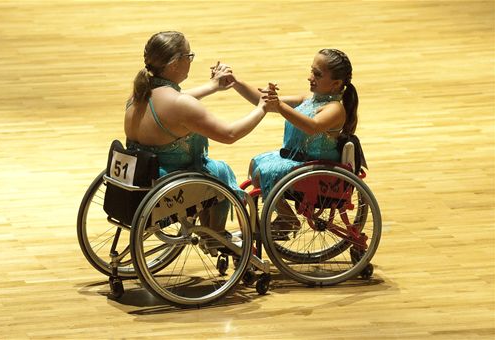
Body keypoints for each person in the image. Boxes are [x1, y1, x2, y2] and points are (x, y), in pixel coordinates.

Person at [124, 31, 267, 249]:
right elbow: (229, 135)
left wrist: (213, 86)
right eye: (188, 56)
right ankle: (215, 235)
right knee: (219, 170)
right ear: (174, 64)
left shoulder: (139, 94)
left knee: (210, 170)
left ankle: (212, 234)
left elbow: (178, 101)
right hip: (171, 187)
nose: (190, 61)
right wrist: (262, 108)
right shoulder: (180, 105)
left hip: (141, 180)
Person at [229, 48, 359, 237]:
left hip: (317, 169)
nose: (310, 77)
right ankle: (283, 217)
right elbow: (261, 100)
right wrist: (235, 83)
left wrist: (279, 105)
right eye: (311, 70)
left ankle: (287, 219)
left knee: (266, 171)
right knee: (256, 163)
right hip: (299, 161)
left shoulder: (335, 109)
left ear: (336, 84)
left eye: (317, 74)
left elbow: (313, 127)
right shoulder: (308, 99)